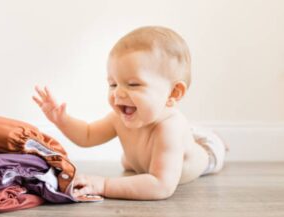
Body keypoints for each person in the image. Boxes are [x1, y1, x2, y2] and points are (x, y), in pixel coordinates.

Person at [32, 26, 226, 200]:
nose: (118, 92)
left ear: (173, 93)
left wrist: (104, 185)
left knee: (204, 145)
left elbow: (161, 185)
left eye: (133, 84)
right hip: (157, 153)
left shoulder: (170, 127)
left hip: (206, 151)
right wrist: (61, 119)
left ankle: (218, 142)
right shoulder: (120, 118)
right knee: (130, 162)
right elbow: (87, 135)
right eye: (113, 84)